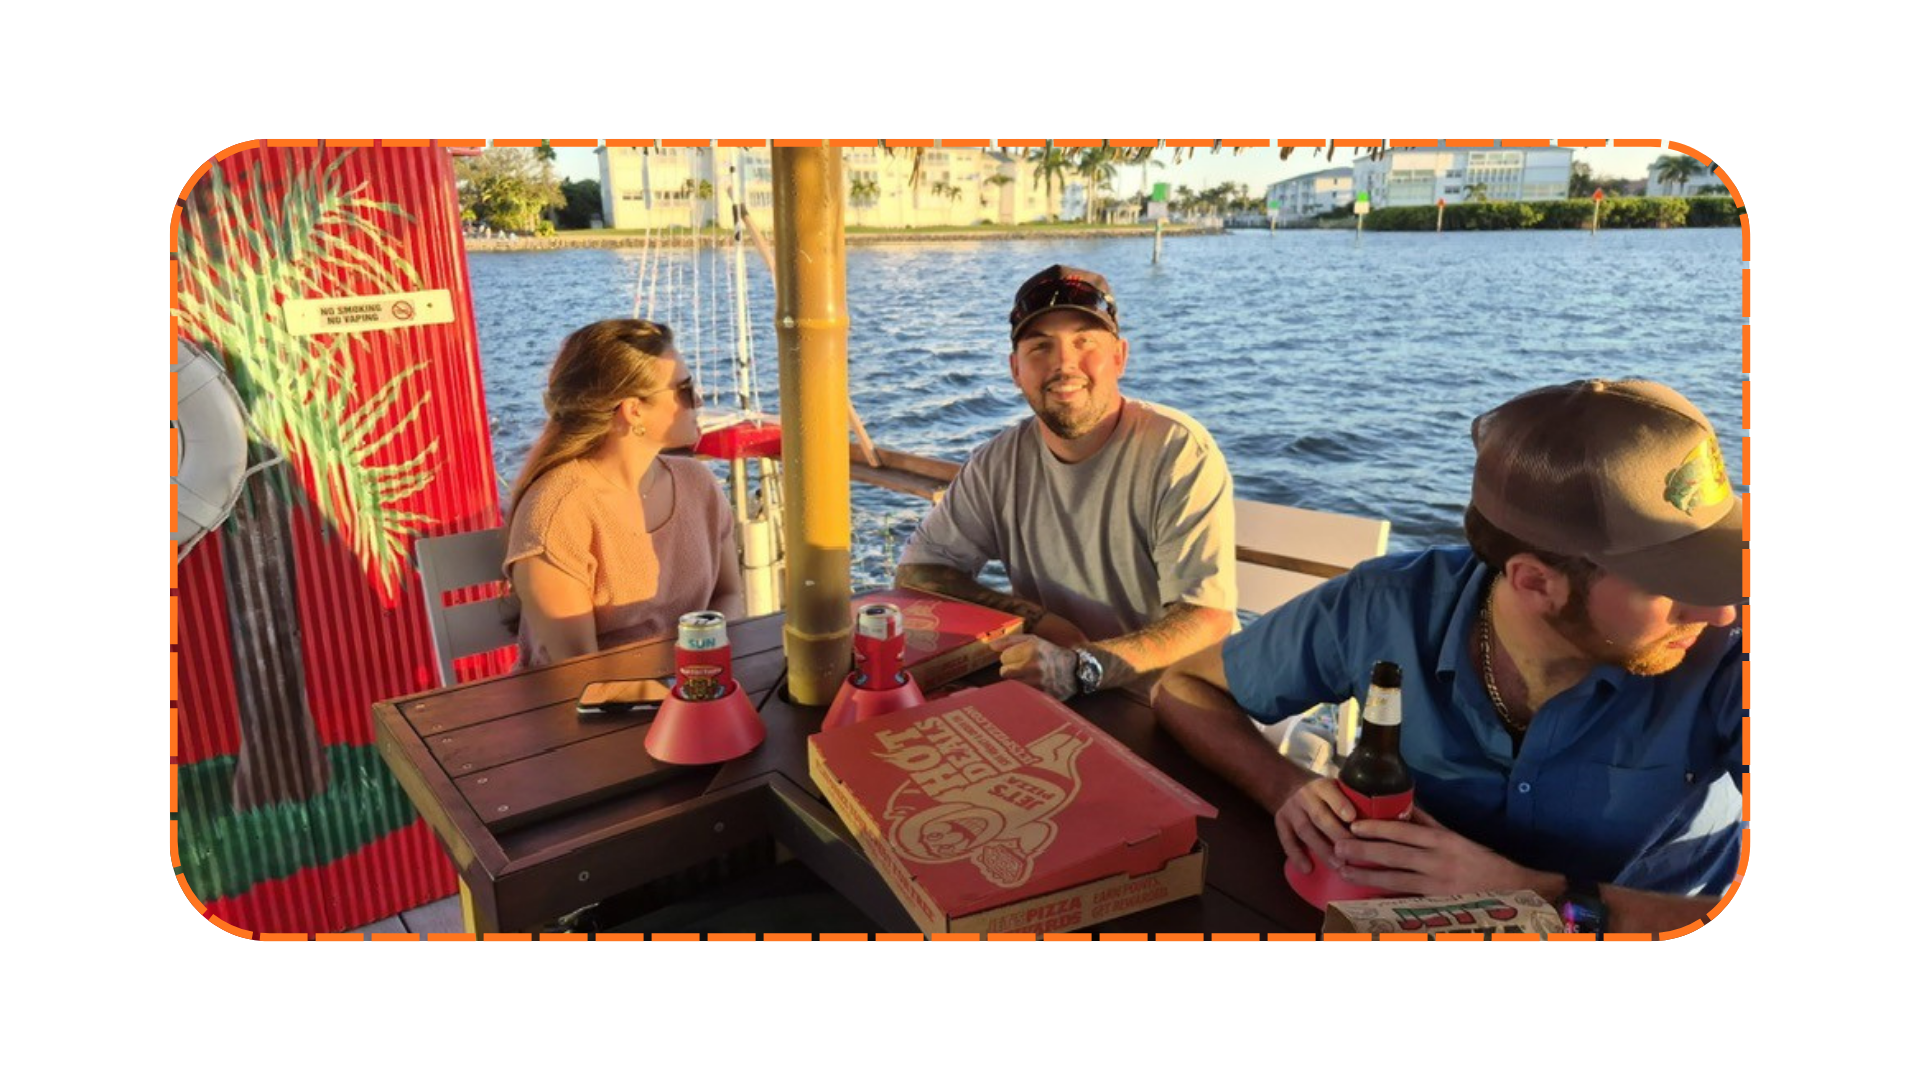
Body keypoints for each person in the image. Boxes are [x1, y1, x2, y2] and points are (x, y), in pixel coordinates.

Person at [1152, 379, 1744, 934]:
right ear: (1536, 583)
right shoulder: (1386, 606)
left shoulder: (1723, 651)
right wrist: (1284, 785)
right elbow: (1184, 687)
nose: (1717, 610)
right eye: (1672, 584)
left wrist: (1541, 896)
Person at [895, 264, 1237, 702]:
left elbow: (1205, 618)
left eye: (1084, 342)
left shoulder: (1177, 449)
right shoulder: (997, 462)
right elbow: (918, 571)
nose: (1064, 364)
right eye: (1040, 347)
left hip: (1171, 702)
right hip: (1052, 695)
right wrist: (1039, 622)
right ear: (1015, 369)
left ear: (1120, 357)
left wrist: (1079, 667)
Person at [504, 319, 744, 669]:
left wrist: (702, 663)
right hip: (583, 710)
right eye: (685, 390)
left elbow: (728, 594)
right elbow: (577, 668)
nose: (699, 401)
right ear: (633, 410)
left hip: (691, 689)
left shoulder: (699, 484)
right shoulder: (558, 510)